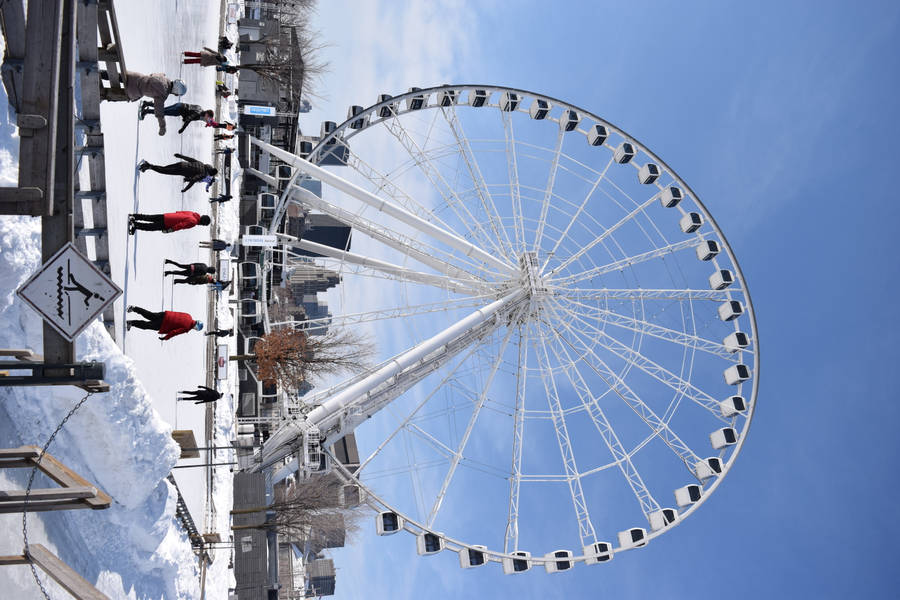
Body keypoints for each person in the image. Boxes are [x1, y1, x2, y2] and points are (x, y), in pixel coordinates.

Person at [100, 70, 187, 136]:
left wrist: (161, 76)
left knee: (119, 77)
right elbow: (159, 112)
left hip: (134, 76)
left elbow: (153, 74)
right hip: (133, 90)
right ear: (175, 91)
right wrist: (162, 127)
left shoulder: (163, 77)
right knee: (119, 96)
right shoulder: (162, 94)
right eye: (176, 94)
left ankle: (100, 73)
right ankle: (102, 94)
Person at [138, 154, 217, 192]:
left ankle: (148, 166)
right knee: (164, 170)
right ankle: (148, 166)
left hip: (181, 164)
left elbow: (190, 159)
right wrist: (186, 189)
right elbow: (193, 180)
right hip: (181, 170)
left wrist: (180, 156)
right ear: (210, 173)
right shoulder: (203, 174)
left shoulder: (202, 164)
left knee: (164, 168)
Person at [126, 305, 202, 340]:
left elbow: (177, 315)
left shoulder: (189, 316)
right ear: (196, 327)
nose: (194, 329)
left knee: (149, 315)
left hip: (165, 315)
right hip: (164, 324)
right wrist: (166, 338)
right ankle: (131, 323)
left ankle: (134, 308)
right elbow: (175, 332)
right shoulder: (187, 328)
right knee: (147, 325)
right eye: (196, 329)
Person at [128, 212, 210, 234]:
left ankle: (135, 216)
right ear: (202, 222)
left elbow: (180, 212)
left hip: (168, 216)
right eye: (203, 224)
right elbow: (180, 225)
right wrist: (170, 230)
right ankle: (135, 225)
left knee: (150, 217)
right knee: (150, 227)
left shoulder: (193, 214)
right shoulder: (193, 222)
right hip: (169, 223)